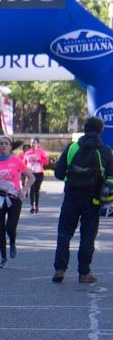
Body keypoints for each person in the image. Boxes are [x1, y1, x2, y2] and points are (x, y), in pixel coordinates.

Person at [52, 116, 113, 284]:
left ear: (84, 129)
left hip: (71, 197)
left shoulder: (72, 148)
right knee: (87, 236)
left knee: (64, 233)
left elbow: (58, 173)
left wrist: (72, 179)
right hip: (93, 200)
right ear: (101, 130)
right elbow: (111, 176)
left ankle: (60, 269)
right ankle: (84, 273)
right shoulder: (105, 151)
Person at [0, 137, 34, 269]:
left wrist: (24, 190)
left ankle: (12, 242)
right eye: (1, 143)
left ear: (10, 146)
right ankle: (3, 258)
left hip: (14, 197)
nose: (3, 145)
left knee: (10, 227)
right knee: (0, 228)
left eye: (6, 143)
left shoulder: (16, 160)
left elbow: (32, 177)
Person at [23, 138, 48, 214]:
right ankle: (31, 206)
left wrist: (39, 159)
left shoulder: (41, 152)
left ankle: (36, 205)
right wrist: (25, 170)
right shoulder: (27, 153)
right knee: (32, 189)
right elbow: (24, 163)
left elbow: (46, 162)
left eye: (34, 143)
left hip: (39, 173)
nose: (33, 144)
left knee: (37, 189)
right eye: (32, 143)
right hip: (31, 173)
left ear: (38, 144)